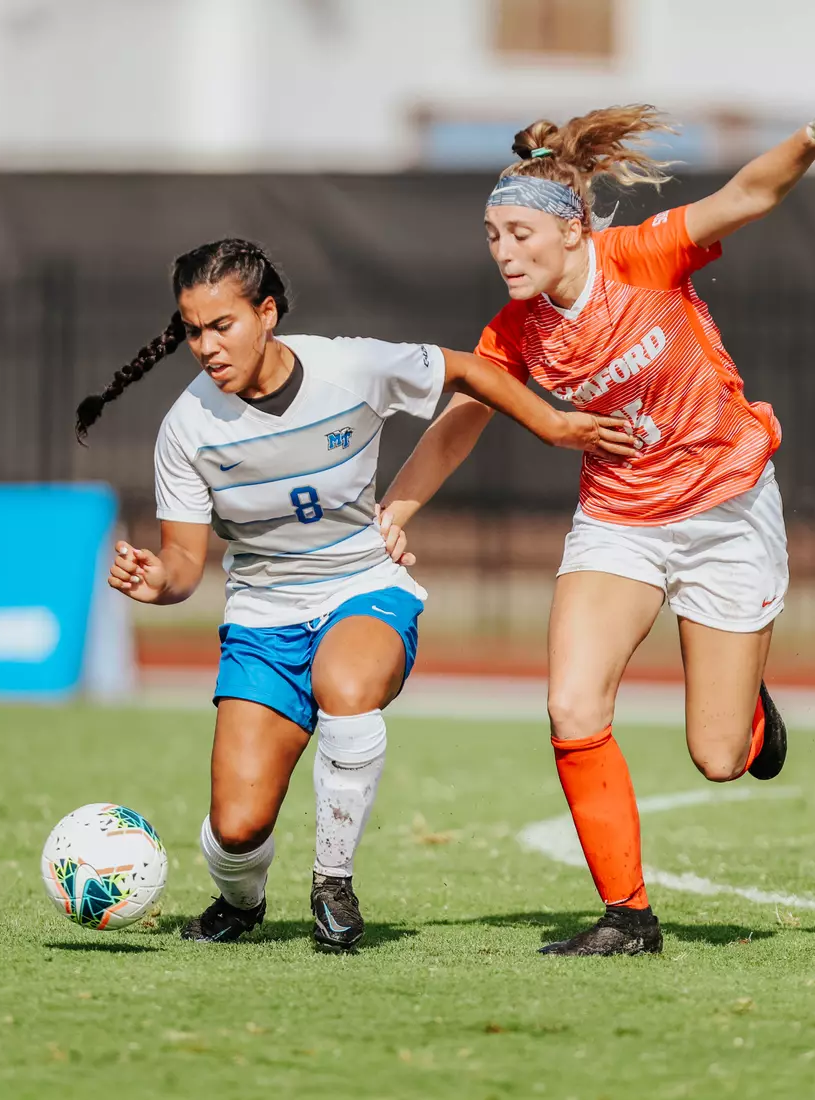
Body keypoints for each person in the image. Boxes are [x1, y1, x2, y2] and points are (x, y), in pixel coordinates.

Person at [376, 58, 815, 956]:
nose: (503, 251)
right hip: (621, 522)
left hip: (728, 507)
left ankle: (753, 715)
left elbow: (744, 198)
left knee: (719, 758)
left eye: (520, 233)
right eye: (492, 234)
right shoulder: (515, 331)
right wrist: (397, 510)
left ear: (573, 231)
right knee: (573, 706)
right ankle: (629, 916)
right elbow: (461, 422)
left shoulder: (641, 258)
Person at [75, 238, 634, 951]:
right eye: (193, 331)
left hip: (363, 587)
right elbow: (185, 566)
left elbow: (466, 369)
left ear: (267, 313)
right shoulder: (187, 428)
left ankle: (332, 884)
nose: (207, 346)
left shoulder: (349, 366)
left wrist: (555, 425)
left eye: (224, 326)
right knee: (237, 830)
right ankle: (241, 905)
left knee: (346, 685)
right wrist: (156, 583)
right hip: (262, 619)